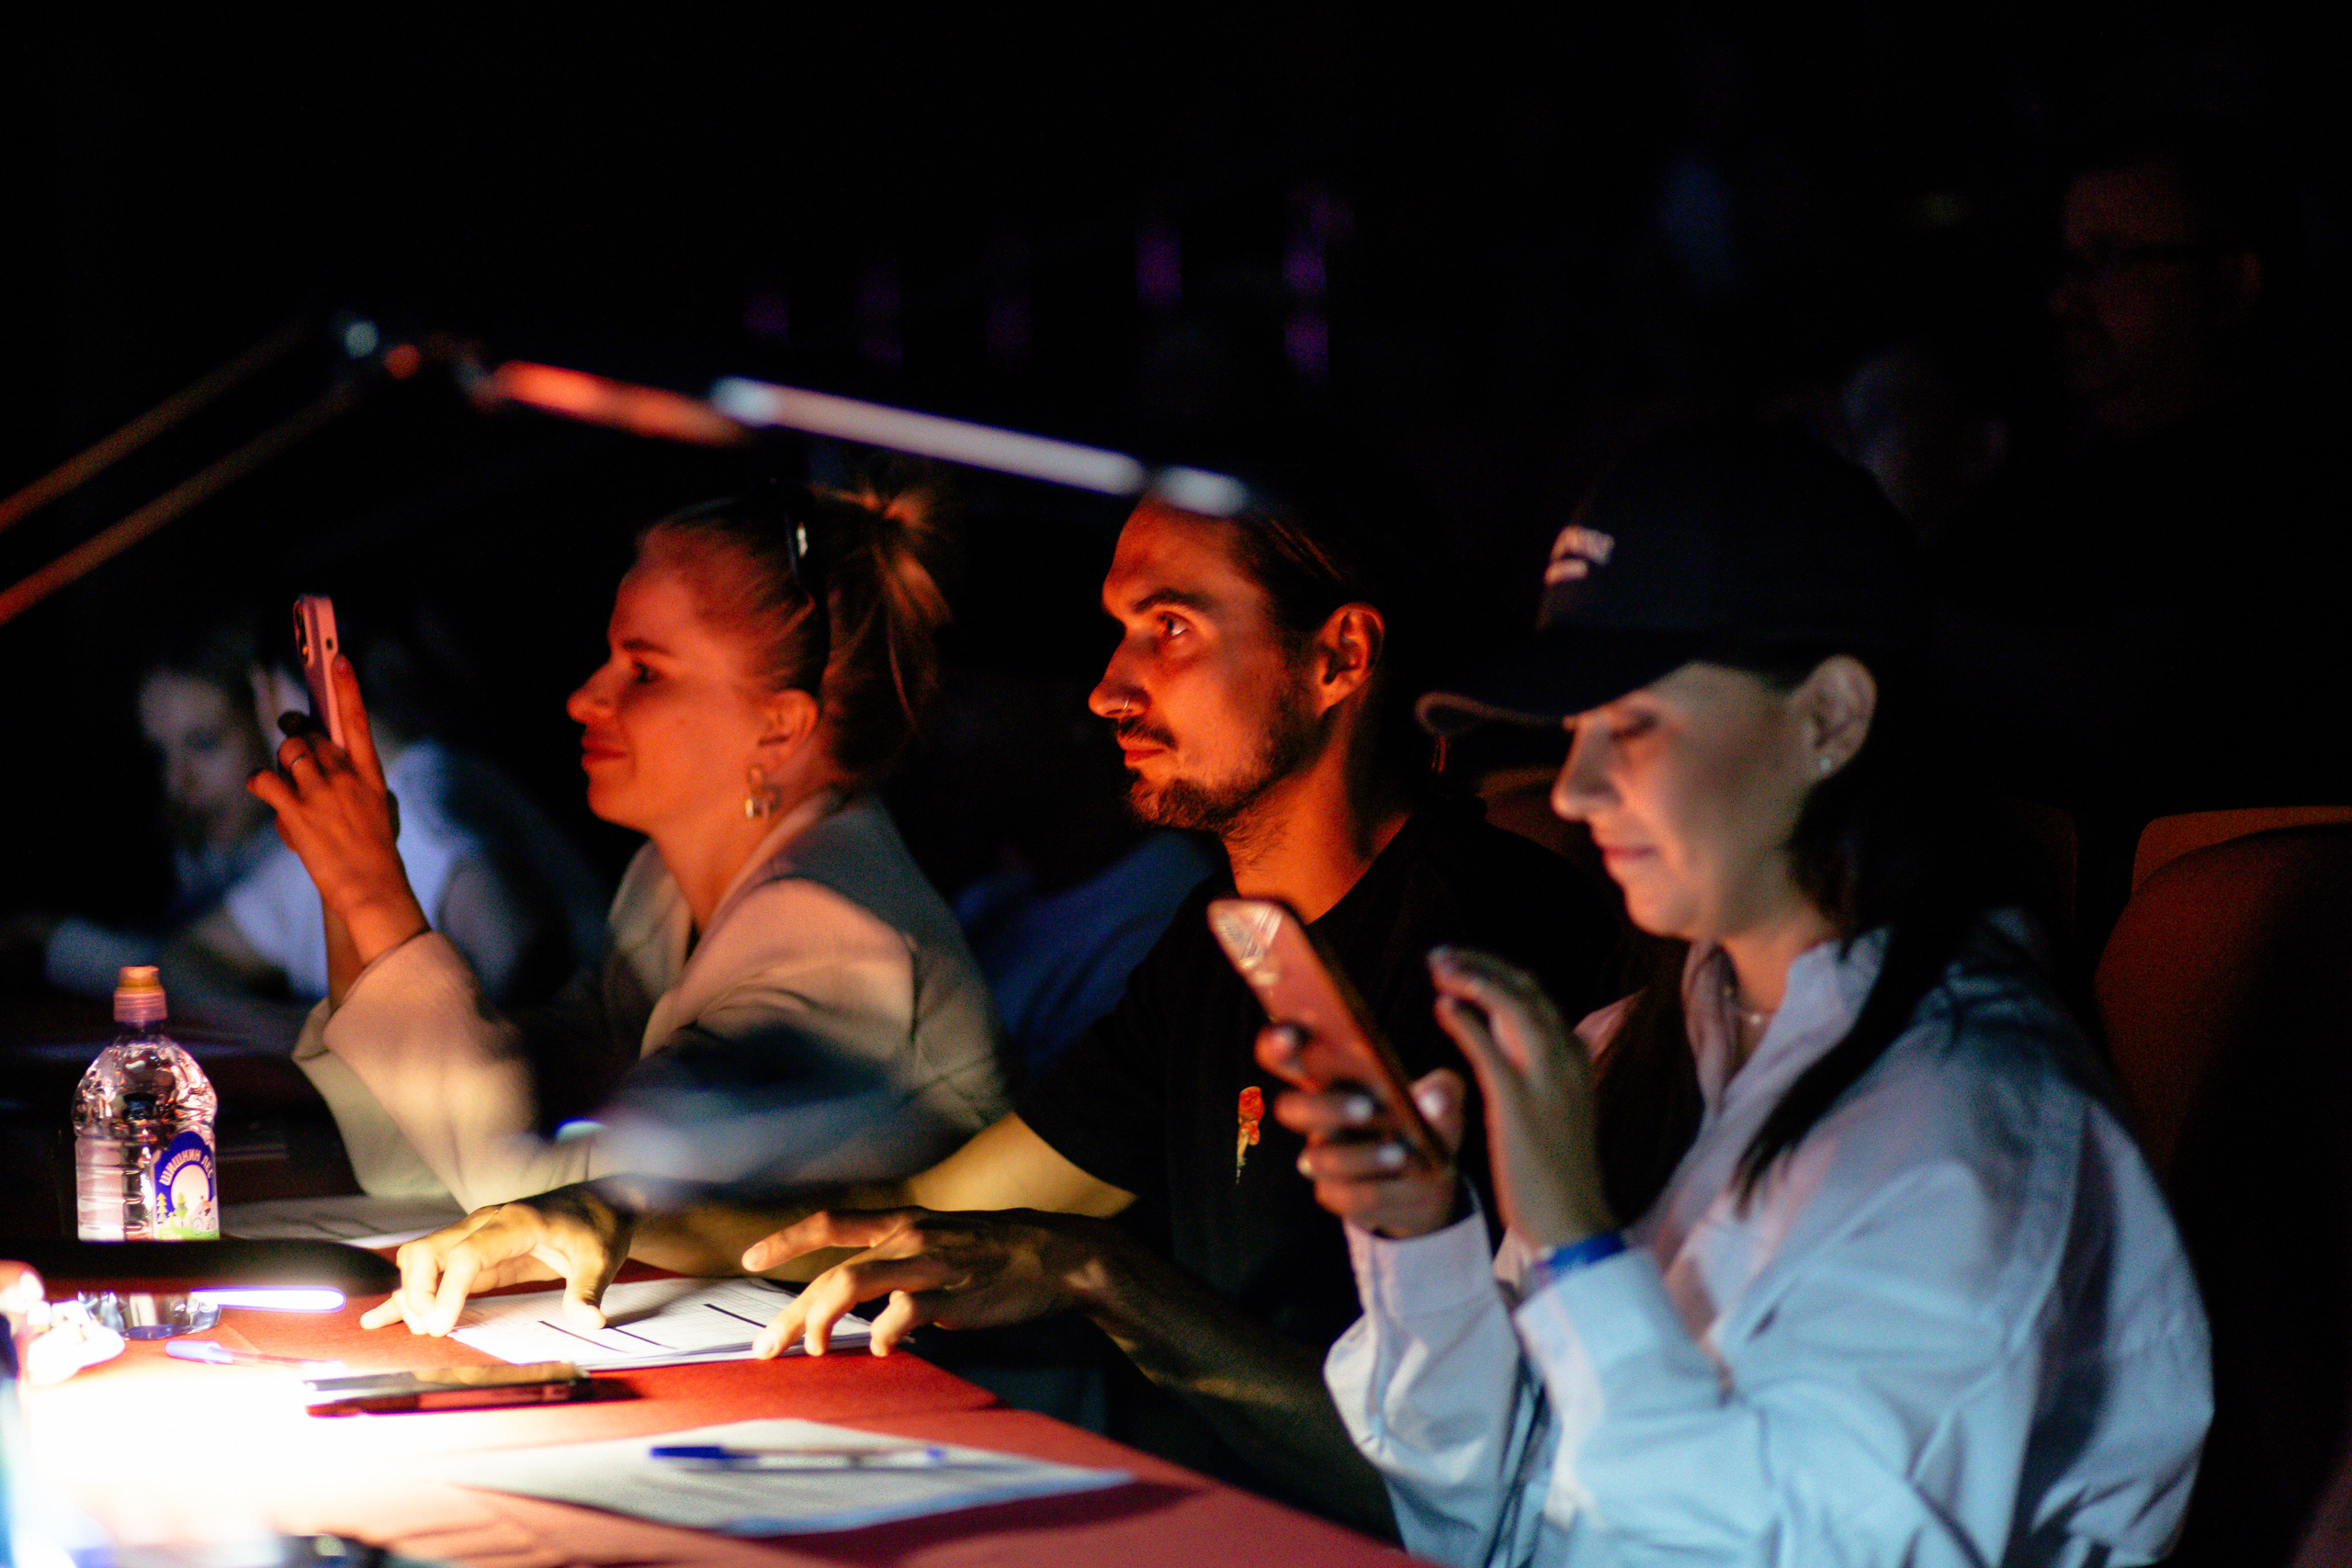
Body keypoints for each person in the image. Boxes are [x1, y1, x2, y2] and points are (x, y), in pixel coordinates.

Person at [354, 451, 1623, 1533]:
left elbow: (1475, 1474)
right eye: (1119, 630)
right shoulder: (1217, 945)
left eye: (1169, 629)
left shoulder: (1492, 952)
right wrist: (607, 1219)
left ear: (1340, 655)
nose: (1108, 685)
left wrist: (1096, 1273)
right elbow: (923, 1209)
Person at [1282, 425, 2211, 1566]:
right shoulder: (1640, 1044)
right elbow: (1494, 1524)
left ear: (1828, 717)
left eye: (1630, 723)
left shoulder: (1971, 1122)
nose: (1571, 790)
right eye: (1572, 727)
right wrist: (1424, 1244)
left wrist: (1577, 1244)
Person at [250, 477, 1007, 1212]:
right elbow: (422, 1153)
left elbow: (573, 1209)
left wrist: (370, 889)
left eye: (644, 671)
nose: (585, 698)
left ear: (780, 726)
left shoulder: (833, 936)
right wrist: (345, 869)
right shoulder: (668, 888)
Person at [30, 618, 564, 1016]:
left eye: (204, 743)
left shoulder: (421, 792)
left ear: (266, 702)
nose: (176, 784)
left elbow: (515, 945)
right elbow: (189, 959)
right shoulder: (280, 855)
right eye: (160, 755)